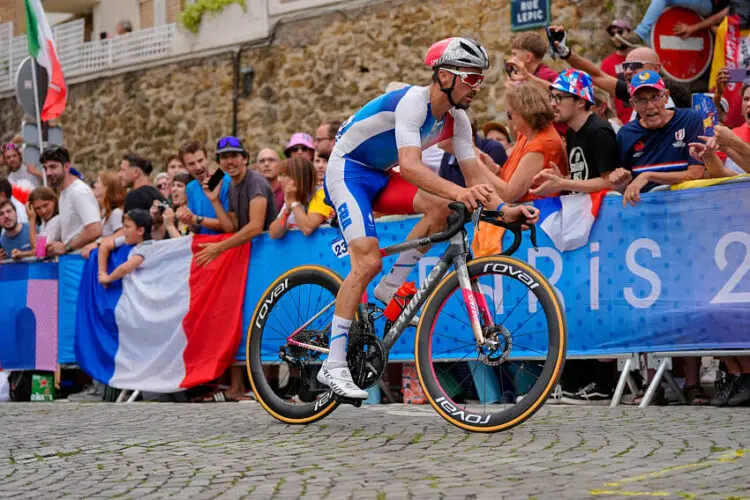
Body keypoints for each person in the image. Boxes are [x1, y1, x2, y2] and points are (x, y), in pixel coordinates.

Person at [313, 37, 537, 399]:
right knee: (367, 260)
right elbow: (414, 167)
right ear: (445, 77)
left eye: (481, 79)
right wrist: (460, 193)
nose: (477, 87)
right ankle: (333, 363)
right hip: (348, 170)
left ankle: (390, 288)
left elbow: (475, 176)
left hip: (381, 174)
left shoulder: (458, 120)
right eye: (472, 78)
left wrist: (506, 209)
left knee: (441, 210)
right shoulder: (414, 103)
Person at [194, 136, 277, 403]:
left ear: (244, 157)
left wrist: (219, 248)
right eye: (223, 157)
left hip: (268, 257)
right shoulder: (231, 187)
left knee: (267, 318)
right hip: (250, 260)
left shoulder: (256, 183)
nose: (229, 161)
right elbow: (231, 226)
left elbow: (254, 227)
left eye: (234, 155)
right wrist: (214, 200)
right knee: (243, 318)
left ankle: (271, 387)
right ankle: (240, 387)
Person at [609, 71, 706, 207]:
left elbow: (696, 173)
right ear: (633, 104)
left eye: (655, 97)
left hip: (688, 208)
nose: (650, 106)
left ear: (666, 97)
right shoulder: (625, 134)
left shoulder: (690, 119)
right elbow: (627, 190)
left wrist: (648, 176)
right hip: (648, 214)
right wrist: (620, 183)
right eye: (642, 100)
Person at [549, 26, 692, 117]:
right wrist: (565, 52)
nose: (628, 71)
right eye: (626, 66)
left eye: (635, 66)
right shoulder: (630, 90)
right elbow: (596, 75)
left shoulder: (673, 93)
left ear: (656, 69)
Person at [530, 69, 618, 197]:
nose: (553, 104)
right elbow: (584, 176)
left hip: (602, 209)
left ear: (581, 102)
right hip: (582, 207)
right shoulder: (571, 132)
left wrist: (563, 183)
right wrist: (561, 178)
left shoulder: (599, 131)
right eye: (552, 97)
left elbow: (609, 182)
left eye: (559, 98)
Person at [483, 83, 568, 203]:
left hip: (537, 214)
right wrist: (496, 170)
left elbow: (509, 195)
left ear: (524, 113)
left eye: (510, 113)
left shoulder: (542, 143)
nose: (510, 119)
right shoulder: (527, 135)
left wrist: (478, 166)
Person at [41, 146, 102, 256]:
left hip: (81, 261)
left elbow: (95, 229)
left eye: (53, 167)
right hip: (71, 261)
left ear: (66, 166)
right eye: (45, 168)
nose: (48, 173)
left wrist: (66, 247)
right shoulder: (64, 193)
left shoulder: (79, 191)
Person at [176, 140, 232, 236]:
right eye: (191, 164)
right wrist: (187, 219)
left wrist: (196, 219)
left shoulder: (225, 180)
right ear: (185, 167)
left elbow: (230, 225)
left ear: (207, 158)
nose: (198, 167)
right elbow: (196, 228)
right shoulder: (191, 187)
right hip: (204, 244)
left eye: (200, 160)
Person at [617, 0, 729, 47]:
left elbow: (724, 14)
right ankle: (644, 36)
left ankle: (641, 34)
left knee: (735, 78)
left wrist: (693, 28)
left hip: (712, 8)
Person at [269, 157, 333, 239]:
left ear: (298, 178)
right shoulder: (293, 198)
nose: (279, 180)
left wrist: (294, 203)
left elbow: (307, 228)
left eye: (284, 175)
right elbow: (274, 234)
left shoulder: (322, 194)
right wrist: (287, 209)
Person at [97, 209, 153, 288]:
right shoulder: (128, 239)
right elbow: (104, 245)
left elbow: (125, 268)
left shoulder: (146, 247)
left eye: (127, 227)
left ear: (140, 231)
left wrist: (108, 278)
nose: (123, 231)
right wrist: (102, 272)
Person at [12, 187, 62, 259]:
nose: (43, 211)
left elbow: (39, 251)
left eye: (45, 205)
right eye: (38, 208)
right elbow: (39, 249)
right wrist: (22, 254)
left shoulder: (57, 220)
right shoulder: (44, 223)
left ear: (54, 201)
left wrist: (32, 219)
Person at [601, 20, 635, 124]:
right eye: (612, 34)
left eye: (620, 32)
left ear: (629, 32)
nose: (616, 36)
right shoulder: (607, 63)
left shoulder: (640, 57)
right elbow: (608, 95)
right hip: (622, 122)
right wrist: (614, 119)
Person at [164, 172, 192, 238]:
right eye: (173, 185)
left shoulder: (196, 215)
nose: (173, 189)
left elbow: (184, 246)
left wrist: (170, 226)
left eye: (179, 186)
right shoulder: (172, 215)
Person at [256, 148, 284, 213]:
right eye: (262, 161)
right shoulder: (250, 191)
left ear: (280, 164)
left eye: (271, 160)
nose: (266, 164)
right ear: (256, 167)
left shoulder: (288, 190)